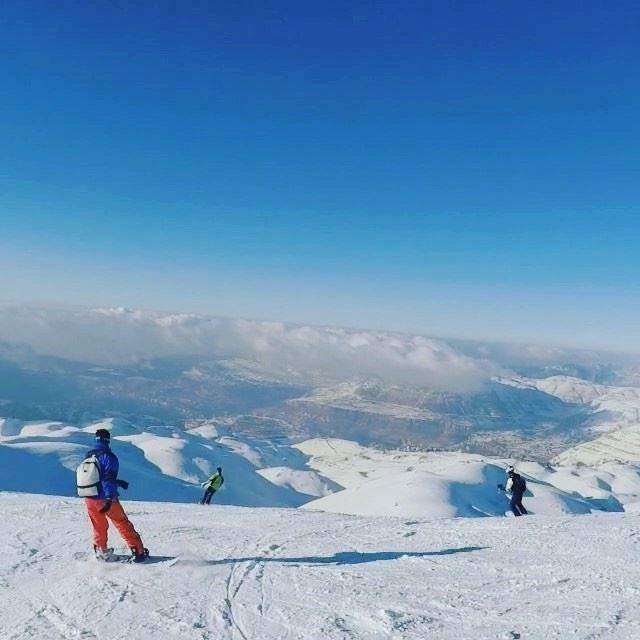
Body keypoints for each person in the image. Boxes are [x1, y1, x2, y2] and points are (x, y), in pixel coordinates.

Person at [83, 428, 148, 562]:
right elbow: (107, 479)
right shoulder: (108, 456)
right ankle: (138, 551)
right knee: (121, 522)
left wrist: (118, 483)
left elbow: (97, 477)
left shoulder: (89, 455)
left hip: (89, 497)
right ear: (108, 440)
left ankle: (100, 550)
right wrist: (108, 497)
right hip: (104, 498)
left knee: (98, 525)